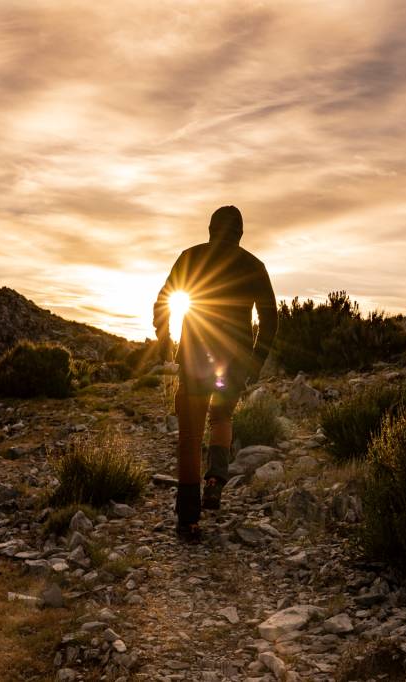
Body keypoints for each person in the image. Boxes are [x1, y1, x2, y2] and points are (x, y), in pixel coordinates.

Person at [153, 206, 278, 541]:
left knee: (191, 437)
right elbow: (270, 321)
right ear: (240, 233)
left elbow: (164, 301)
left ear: (210, 229)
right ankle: (215, 481)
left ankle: (189, 521)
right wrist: (254, 360)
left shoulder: (190, 257)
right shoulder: (254, 266)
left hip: (195, 358)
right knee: (221, 417)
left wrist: (164, 340)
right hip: (234, 363)